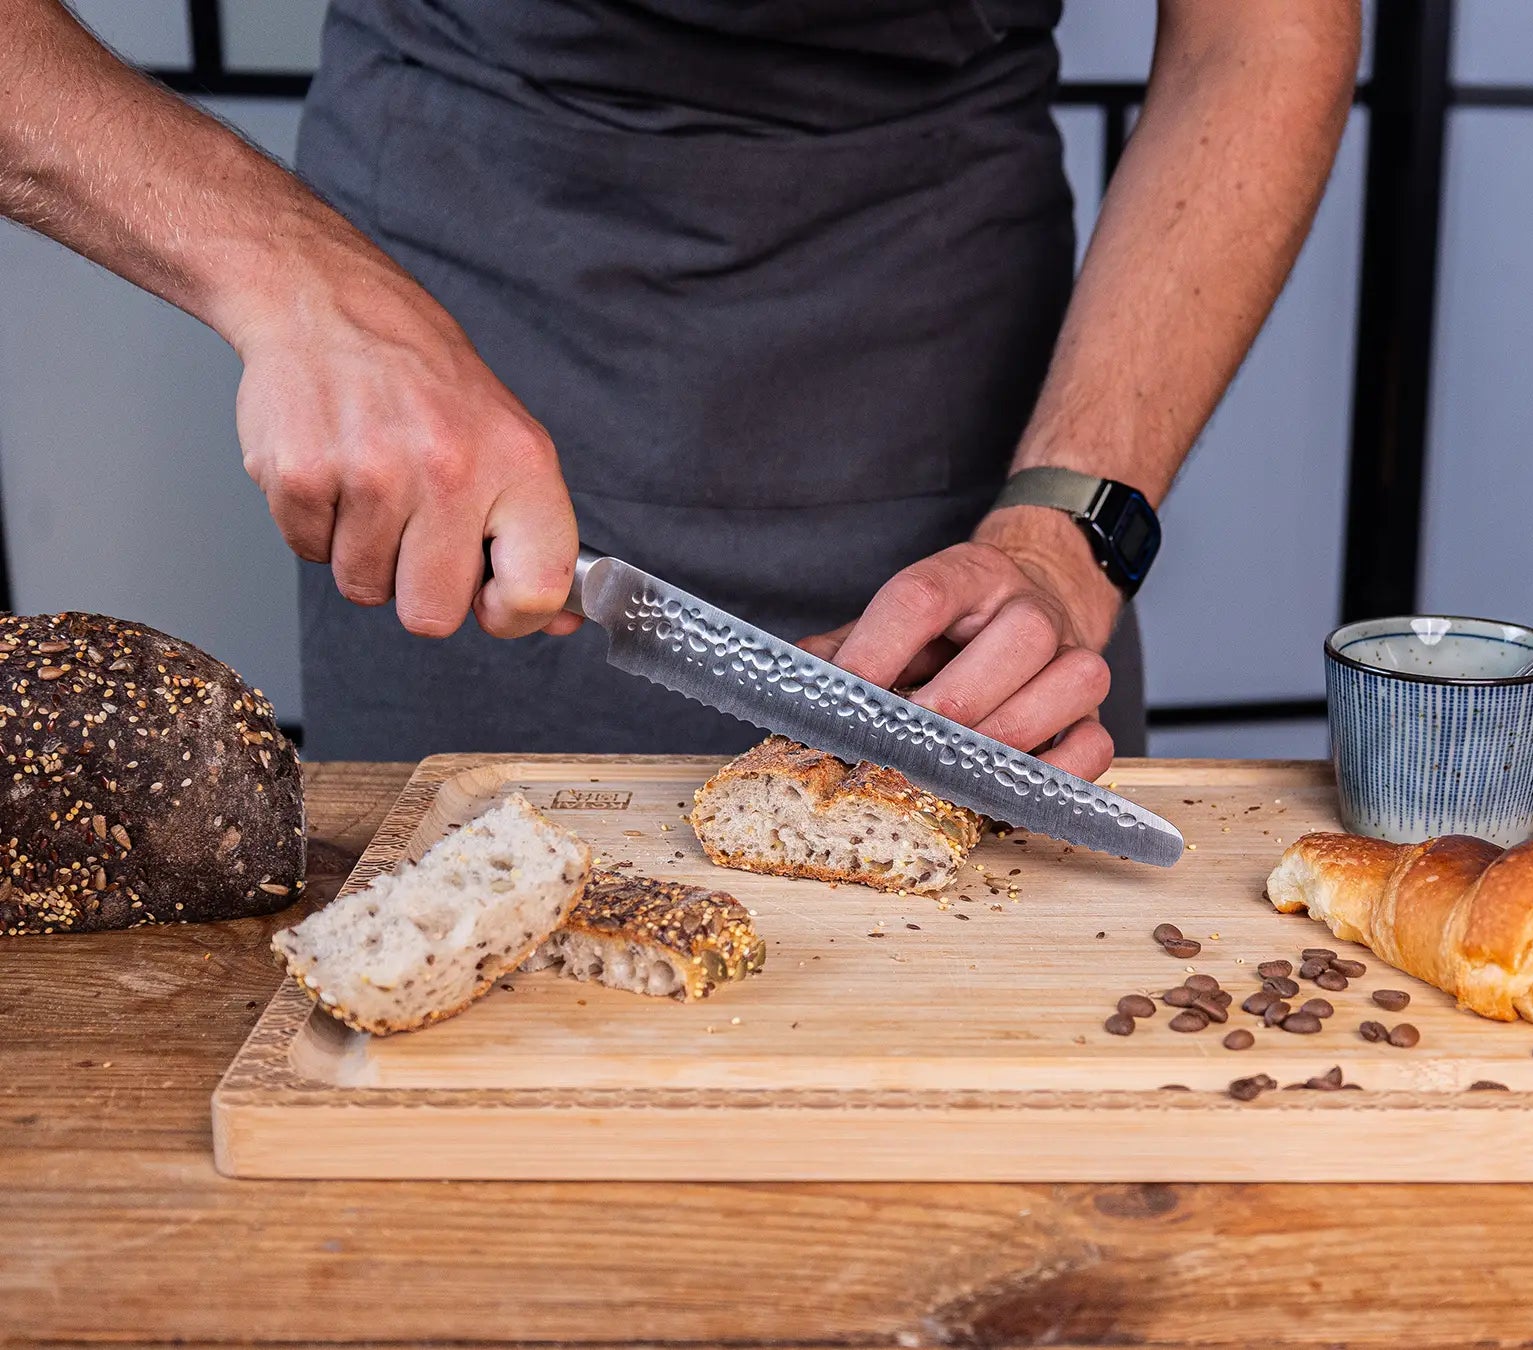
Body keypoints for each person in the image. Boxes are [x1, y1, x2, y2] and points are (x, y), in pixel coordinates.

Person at [0, 0, 1358, 779]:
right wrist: (289, 276)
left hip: (968, 408)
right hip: (461, 377)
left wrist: (1069, 530)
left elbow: (1263, 31)